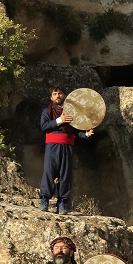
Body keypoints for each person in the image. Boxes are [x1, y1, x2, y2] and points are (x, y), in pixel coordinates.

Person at [40, 85, 94, 214]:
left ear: (64, 95)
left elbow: (76, 131)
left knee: (65, 175)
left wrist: (86, 134)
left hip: (67, 147)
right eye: (55, 94)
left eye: (60, 93)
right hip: (52, 146)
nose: (58, 96)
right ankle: (45, 200)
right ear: (51, 97)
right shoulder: (47, 111)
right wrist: (60, 120)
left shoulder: (72, 112)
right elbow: (44, 126)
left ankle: (62, 204)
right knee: (49, 172)